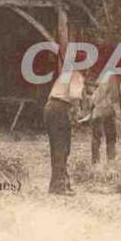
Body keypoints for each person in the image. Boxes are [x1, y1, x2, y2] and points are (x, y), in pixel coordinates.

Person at [43, 64, 86, 195]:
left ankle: (59, 183)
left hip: (51, 107)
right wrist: (78, 114)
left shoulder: (66, 73)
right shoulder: (77, 75)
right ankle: (59, 186)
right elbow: (74, 96)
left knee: (57, 147)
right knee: (62, 148)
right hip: (59, 108)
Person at [88, 74, 121, 165]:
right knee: (110, 138)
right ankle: (111, 162)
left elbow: (94, 98)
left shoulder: (102, 79)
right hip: (107, 109)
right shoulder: (112, 76)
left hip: (97, 110)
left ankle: (95, 163)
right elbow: (115, 97)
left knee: (96, 138)